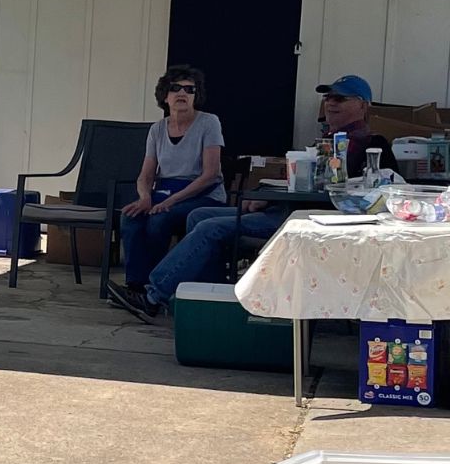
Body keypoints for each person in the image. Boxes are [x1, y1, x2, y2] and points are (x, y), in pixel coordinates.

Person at [107, 73, 391, 322]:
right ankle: (205, 296)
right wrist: (268, 194)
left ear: (362, 106)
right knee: (198, 217)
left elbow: (331, 190)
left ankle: (153, 297)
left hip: (304, 218)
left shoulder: (362, 144)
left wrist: (272, 196)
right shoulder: (330, 138)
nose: (331, 103)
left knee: (207, 226)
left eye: (340, 99)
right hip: (283, 208)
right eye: (329, 97)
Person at [115, 65, 228, 291]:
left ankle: (156, 285)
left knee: (160, 220)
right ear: (165, 96)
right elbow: (145, 175)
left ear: (197, 96)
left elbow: (210, 174)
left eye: (189, 89)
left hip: (202, 195)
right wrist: (145, 197)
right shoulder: (157, 129)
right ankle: (135, 285)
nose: (182, 93)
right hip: (164, 193)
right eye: (175, 88)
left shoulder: (209, 122)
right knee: (131, 217)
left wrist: (171, 201)